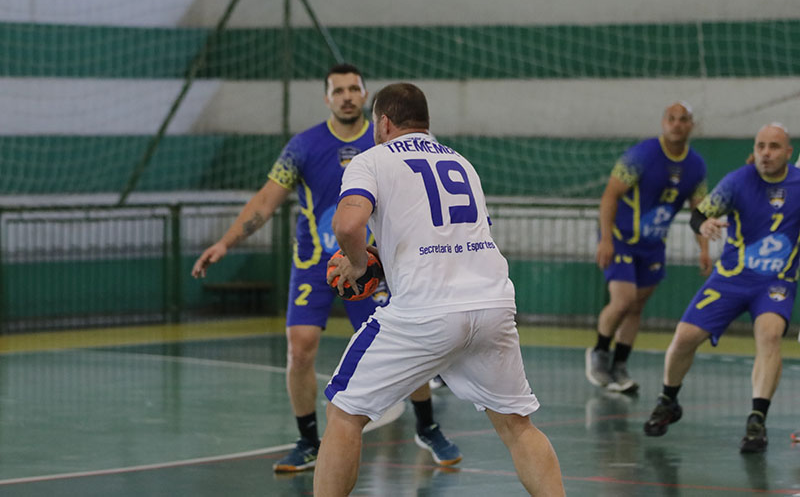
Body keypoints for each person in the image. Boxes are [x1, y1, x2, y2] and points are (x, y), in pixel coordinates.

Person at [191, 65, 460, 472]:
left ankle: (427, 425)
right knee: (299, 348)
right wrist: (225, 242)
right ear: (326, 98)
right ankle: (307, 440)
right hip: (315, 264)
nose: (347, 96)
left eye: (354, 89)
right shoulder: (303, 146)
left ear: (366, 96)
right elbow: (266, 200)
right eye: (339, 90)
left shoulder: (386, 145)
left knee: (403, 342)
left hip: (369, 262)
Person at [314, 83, 565, 497]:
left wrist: (359, 263)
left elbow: (346, 225)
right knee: (517, 426)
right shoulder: (461, 162)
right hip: (492, 305)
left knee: (344, 411)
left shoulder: (371, 160)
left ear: (384, 123)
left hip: (427, 310)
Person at [643, 122, 798, 454]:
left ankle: (757, 419)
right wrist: (705, 225)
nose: (765, 153)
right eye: (760, 146)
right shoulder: (738, 181)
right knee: (684, 337)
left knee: (770, 335)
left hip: (775, 281)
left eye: (773, 147)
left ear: (789, 152)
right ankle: (668, 399)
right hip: (730, 278)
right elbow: (698, 214)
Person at [586, 102, 711, 393]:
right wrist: (605, 239)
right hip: (621, 237)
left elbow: (699, 212)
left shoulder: (696, 166)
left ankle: (620, 365)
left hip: (653, 244)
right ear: (663, 122)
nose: (677, 124)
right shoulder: (642, 155)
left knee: (636, 306)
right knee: (623, 300)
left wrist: (704, 248)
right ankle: (599, 353)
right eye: (671, 118)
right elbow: (610, 196)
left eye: (683, 119)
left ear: (692, 125)